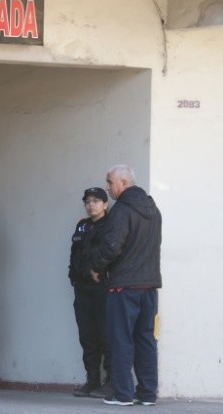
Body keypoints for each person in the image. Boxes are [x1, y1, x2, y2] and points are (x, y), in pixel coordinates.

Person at [89, 164, 162, 406]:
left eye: (110, 182)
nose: (108, 187)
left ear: (124, 183)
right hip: (149, 287)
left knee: (121, 339)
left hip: (124, 287)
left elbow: (112, 246)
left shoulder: (121, 210)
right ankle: (148, 394)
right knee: (146, 339)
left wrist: (97, 267)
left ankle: (122, 394)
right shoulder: (154, 209)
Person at [68, 187, 113, 398]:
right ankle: (92, 380)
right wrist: (73, 277)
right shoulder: (82, 226)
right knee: (87, 336)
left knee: (107, 335)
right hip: (82, 288)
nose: (90, 204)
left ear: (105, 204)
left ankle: (111, 382)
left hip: (103, 288)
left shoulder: (112, 225)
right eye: (87, 201)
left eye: (96, 200)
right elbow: (74, 254)